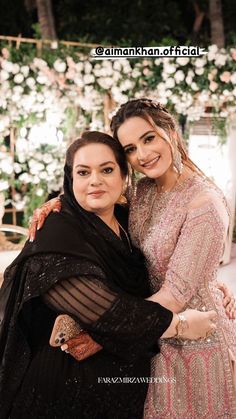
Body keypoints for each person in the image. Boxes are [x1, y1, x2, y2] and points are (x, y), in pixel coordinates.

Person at [32, 100, 236, 418]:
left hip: (195, 339)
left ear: (170, 131)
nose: (142, 154)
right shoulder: (143, 191)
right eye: (130, 148)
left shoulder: (204, 203)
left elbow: (176, 294)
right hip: (150, 332)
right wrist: (60, 202)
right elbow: (101, 191)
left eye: (149, 138)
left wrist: (103, 337)